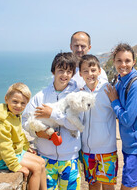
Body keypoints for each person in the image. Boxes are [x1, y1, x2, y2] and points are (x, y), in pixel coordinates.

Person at [22, 52, 82, 190]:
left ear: (72, 74)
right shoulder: (40, 96)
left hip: (69, 159)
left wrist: (52, 114)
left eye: (68, 71)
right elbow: (25, 120)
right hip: (46, 158)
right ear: (53, 71)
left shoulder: (76, 97)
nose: (64, 75)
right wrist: (38, 133)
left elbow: (77, 124)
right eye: (61, 70)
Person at [105, 43, 137, 190]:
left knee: (126, 186)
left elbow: (127, 120)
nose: (123, 64)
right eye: (119, 61)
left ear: (134, 62)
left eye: (127, 61)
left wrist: (114, 100)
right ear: (114, 62)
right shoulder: (121, 82)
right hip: (130, 146)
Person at [0, 82, 47, 190]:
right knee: (36, 168)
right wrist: (15, 166)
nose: (19, 106)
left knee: (41, 162)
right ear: (6, 99)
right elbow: (5, 148)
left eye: (23, 103)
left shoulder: (14, 115)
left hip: (14, 152)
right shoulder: (2, 123)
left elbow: (19, 134)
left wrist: (25, 146)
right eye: (15, 101)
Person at [78, 54, 118, 190]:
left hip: (107, 149)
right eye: (85, 71)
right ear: (80, 73)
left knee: (108, 186)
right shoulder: (80, 93)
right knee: (93, 185)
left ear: (100, 71)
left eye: (93, 70)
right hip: (87, 150)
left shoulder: (108, 89)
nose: (90, 74)